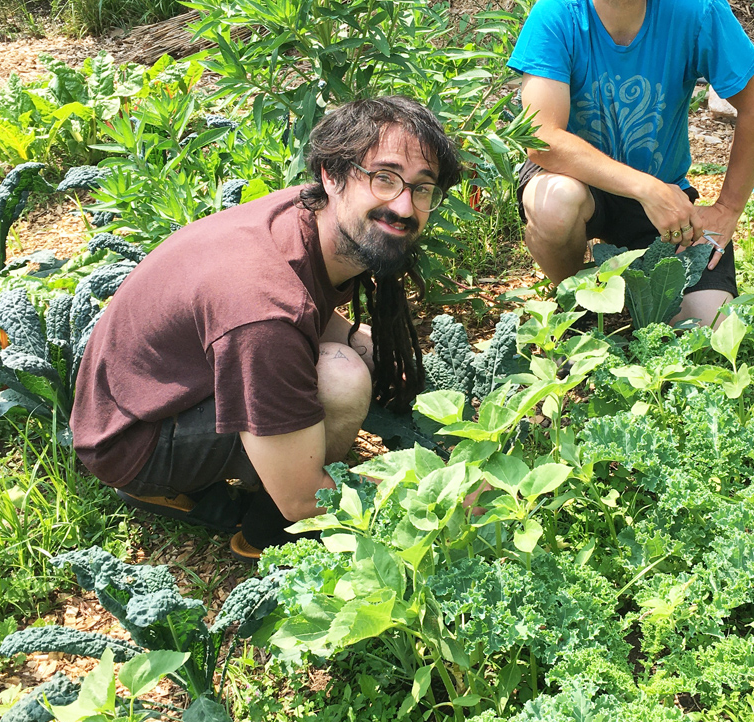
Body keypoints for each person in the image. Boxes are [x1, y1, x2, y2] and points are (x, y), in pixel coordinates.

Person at [70, 96, 462, 560]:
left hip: (153, 388)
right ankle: (265, 531)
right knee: (342, 381)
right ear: (331, 176)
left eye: (422, 188)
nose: (404, 206)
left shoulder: (308, 217)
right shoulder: (264, 307)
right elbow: (304, 499)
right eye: (384, 178)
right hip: (133, 439)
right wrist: (445, 495)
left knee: (366, 350)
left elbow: (306, 315)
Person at [510, 0, 754, 326]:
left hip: (661, 201)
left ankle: (634, 290)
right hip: (583, 187)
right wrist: (646, 188)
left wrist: (728, 208)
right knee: (554, 205)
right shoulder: (556, 16)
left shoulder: (697, 9)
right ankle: (580, 302)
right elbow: (541, 138)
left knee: (708, 326)